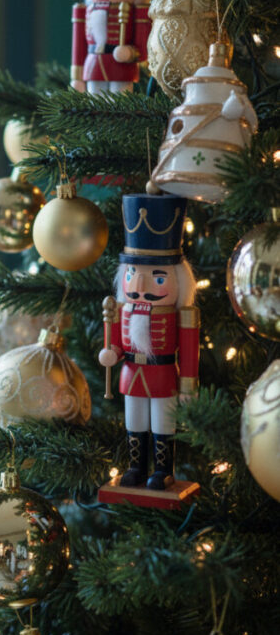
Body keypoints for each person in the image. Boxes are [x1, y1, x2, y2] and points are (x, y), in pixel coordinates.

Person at [99, 194, 200, 490]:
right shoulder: (121, 310)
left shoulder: (180, 315)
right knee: (135, 422)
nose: (140, 286)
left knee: (163, 424)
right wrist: (110, 353)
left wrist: (188, 385)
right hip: (132, 375)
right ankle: (136, 468)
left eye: (157, 279)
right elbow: (115, 344)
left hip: (164, 375)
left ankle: (163, 471)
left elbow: (190, 353)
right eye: (133, 274)